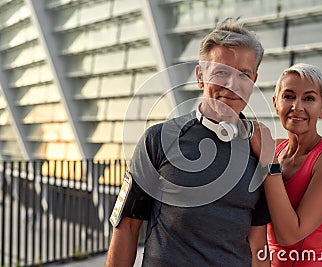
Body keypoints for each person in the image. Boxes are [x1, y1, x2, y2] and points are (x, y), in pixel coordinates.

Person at [106, 18, 271, 266]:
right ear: (200, 76)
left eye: (243, 76)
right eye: (221, 72)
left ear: (254, 81)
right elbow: (127, 228)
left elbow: (258, 243)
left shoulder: (262, 151)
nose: (231, 85)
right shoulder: (159, 140)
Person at [250, 63, 322, 266]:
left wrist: (269, 163)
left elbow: (290, 235)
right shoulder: (274, 148)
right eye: (288, 96)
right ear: (275, 103)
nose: (297, 106)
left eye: (309, 98)